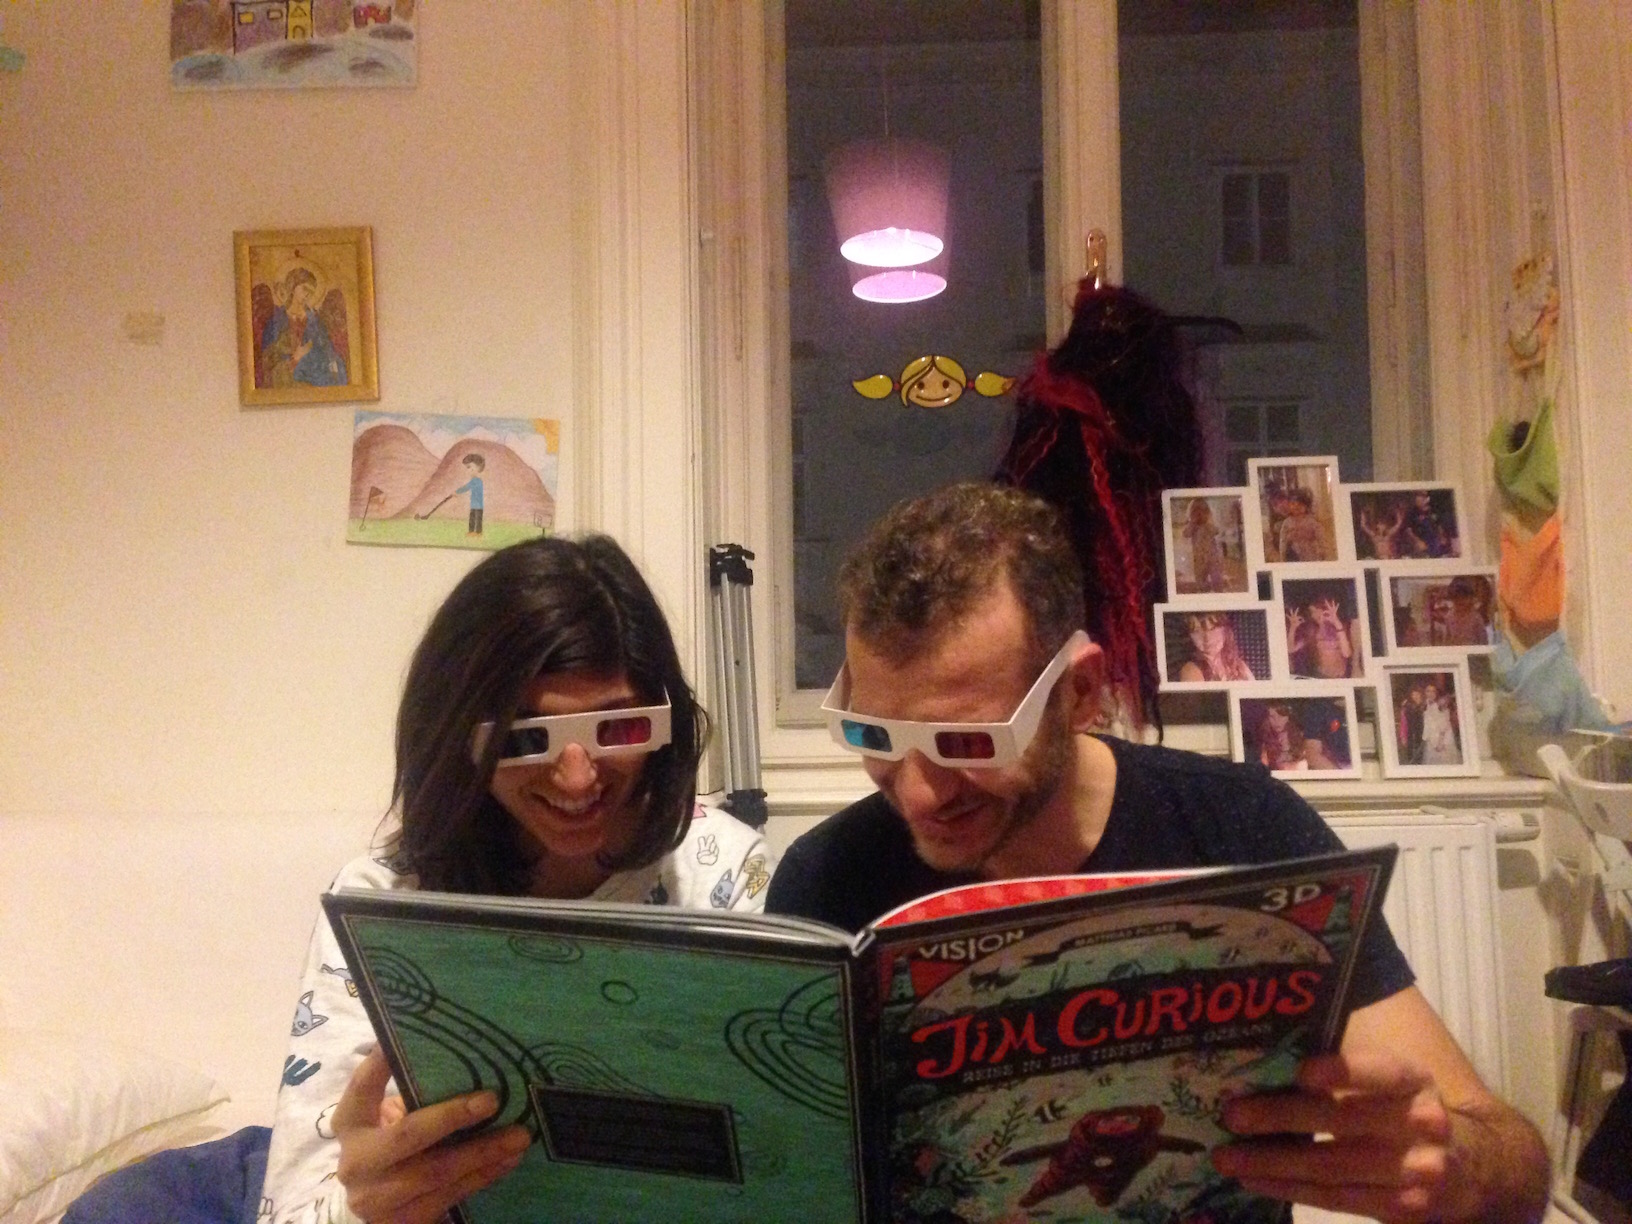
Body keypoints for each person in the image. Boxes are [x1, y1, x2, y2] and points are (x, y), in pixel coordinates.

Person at [768, 482, 1549, 1224]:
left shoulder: (1242, 828)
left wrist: (1456, 1170)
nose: (918, 794)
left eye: (965, 742)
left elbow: (1513, 1173)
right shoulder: (825, 879)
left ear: (1079, 693)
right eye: (874, 735)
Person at [259, 535, 774, 1224]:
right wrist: (365, 1209)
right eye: (525, 739)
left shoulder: (725, 869)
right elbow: (293, 1205)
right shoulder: (382, 904)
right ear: (455, 739)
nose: (577, 779)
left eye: (618, 729)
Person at [260, 266, 348, 388]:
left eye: (311, 291)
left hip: (315, 377)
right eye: (304, 288)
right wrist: (295, 358)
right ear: (293, 287)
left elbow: (326, 349)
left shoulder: (316, 320)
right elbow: (267, 360)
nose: (307, 294)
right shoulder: (277, 320)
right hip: (286, 379)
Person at [1176, 611, 1255, 682]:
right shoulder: (1191, 671)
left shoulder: (1239, 665)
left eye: (1213, 629)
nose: (1207, 638)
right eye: (1197, 632)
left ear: (1225, 630)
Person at [1182, 497, 1226, 591]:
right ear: (1192, 514)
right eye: (1196, 512)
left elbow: (1216, 531)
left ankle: (1218, 590)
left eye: (1203, 511)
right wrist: (1193, 523)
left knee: (1216, 577)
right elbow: (1186, 534)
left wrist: (1208, 522)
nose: (1200, 514)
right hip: (1199, 557)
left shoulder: (1209, 525)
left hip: (1212, 556)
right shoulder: (1192, 526)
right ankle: (1203, 590)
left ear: (1207, 513)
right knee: (1200, 578)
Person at [1421, 682, 1462, 765]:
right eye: (1428, 691)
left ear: (1436, 693)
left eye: (1433, 691)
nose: (1430, 694)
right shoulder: (1426, 705)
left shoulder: (1441, 705)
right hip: (1431, 739)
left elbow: (1445, 725)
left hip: (1442, 740)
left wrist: (1440, 742)